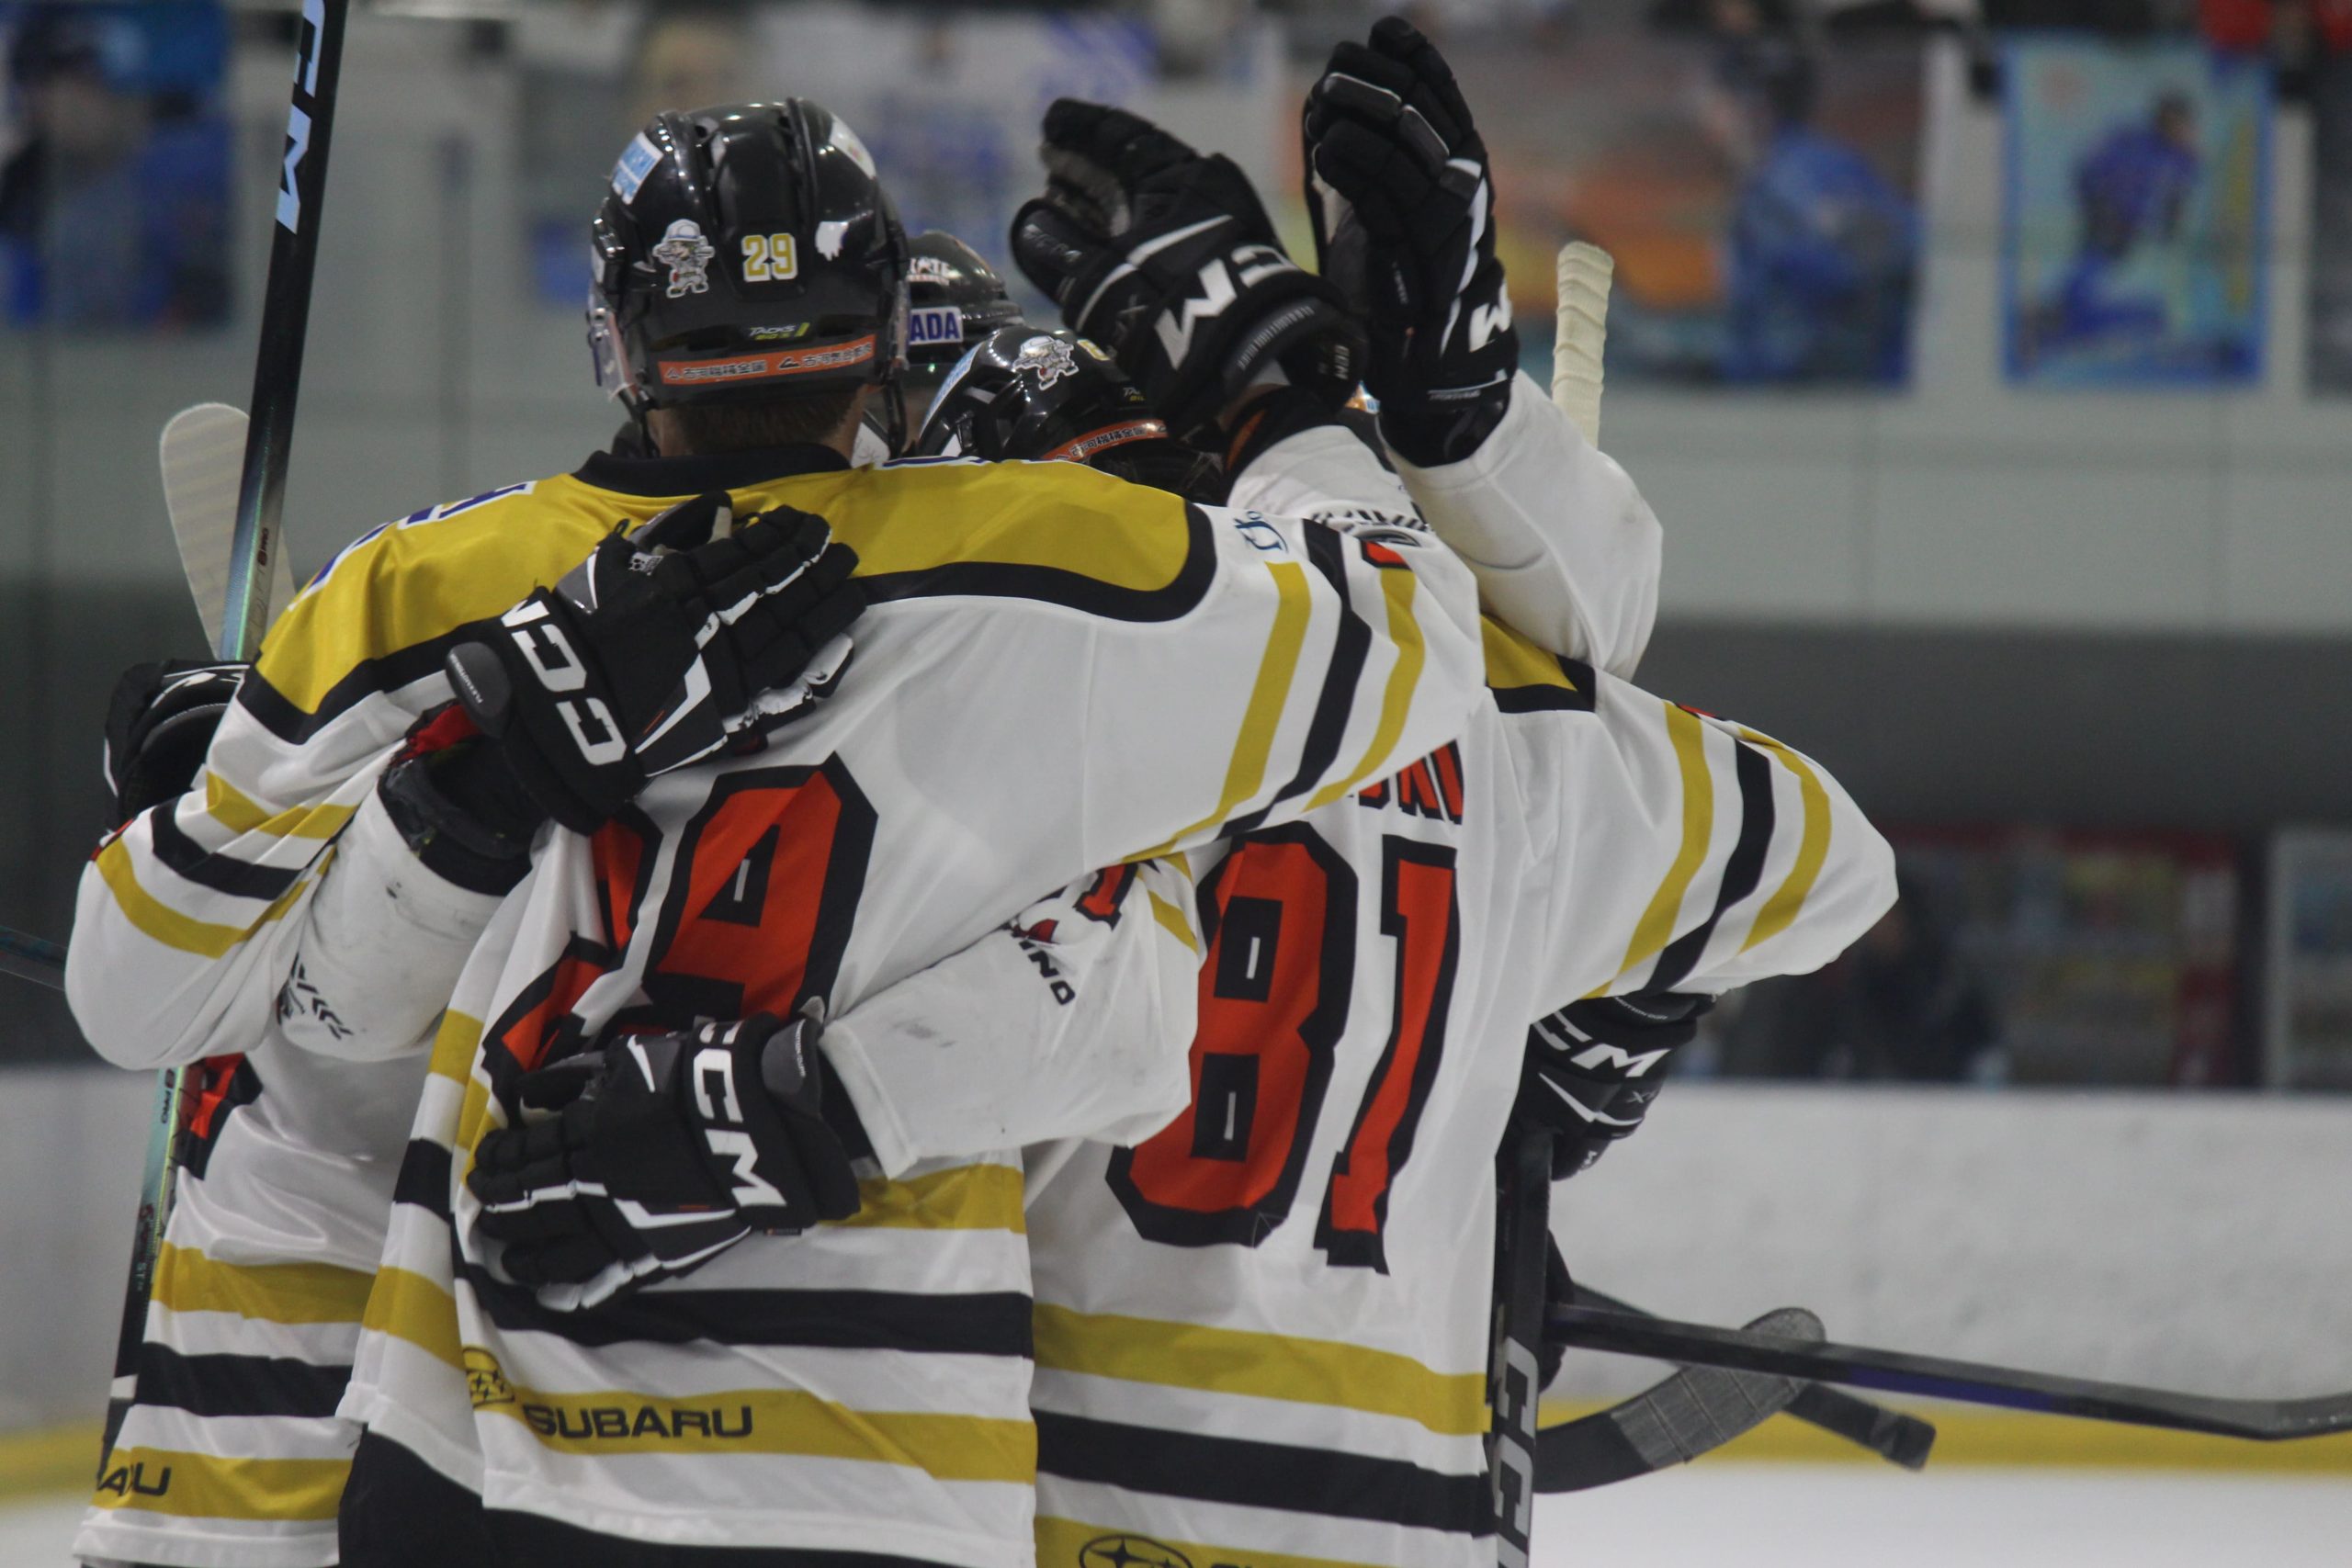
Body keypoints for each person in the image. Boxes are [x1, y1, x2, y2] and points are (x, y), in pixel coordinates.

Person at [69, 96, 1485, 1568]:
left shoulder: (417, 591)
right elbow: (1418, 641)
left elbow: (138, 997)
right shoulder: (1054, 567)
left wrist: (215, 815)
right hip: (879, 1473)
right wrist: (1267, 398)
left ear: (619, 340)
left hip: (488, 1455)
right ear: (882, 337)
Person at [956, 40, 1898, 1565]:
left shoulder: (1011, 717)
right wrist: (1579, 1058)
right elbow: (1829, 865)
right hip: (1402, 1501)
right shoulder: (1490, 719)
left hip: (1067, 1492)